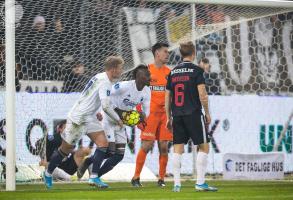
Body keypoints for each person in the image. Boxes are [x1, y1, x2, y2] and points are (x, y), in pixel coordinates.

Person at [43, 56, 124, 189]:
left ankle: (94, 177)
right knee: (65, 150)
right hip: (78, 118)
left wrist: (96, 111)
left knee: (103, 143)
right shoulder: (105, 82)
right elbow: (106, 105)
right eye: (120, 68)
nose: (121, 71)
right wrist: (117, 119)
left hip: (89, 117)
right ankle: (48, 173)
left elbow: (92, 97)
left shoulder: (100, 76)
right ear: (114, 69)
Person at [77, 64, 151, 183]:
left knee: (118, 155)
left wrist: (141, 116)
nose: (150, 77)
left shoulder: (147, 91)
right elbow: (105, 96)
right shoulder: (124, 86)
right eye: (147, 75)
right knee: (110, 150)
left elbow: (147, 111)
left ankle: (93, 169)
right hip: (108, 118)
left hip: (120, 123)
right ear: (139, 77)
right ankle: (92, 173)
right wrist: (102, 111)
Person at [165, 41, 218, 192]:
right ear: (193, 53)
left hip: (177, 115)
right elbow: (203, 94)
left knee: (177, 149)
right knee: (204, 147)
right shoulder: (197, 71)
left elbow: (167, 97)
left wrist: (169, 117)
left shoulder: (172, 72)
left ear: (181, 54)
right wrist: (207, 113)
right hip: (193, 114)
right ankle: (200, 183)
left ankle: (176, 184)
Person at [131, 42, 172, 187]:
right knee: (147, 145)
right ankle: (136, 177)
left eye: (168, 52)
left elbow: (171, 95)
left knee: (163, 147)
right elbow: (137, 92)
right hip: (150, 115)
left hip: (165, 115)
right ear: (157, 54)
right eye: (165, 52)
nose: (168, 54)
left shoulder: (169, 73)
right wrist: (139, 113)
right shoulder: (147, 71)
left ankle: (161, 179)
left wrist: (171, 116)